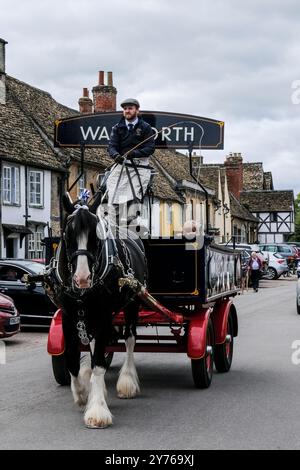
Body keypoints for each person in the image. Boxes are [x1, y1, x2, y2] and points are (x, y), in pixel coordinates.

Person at [106, 98, 155, 225]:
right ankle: (112, 219)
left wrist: (134, 153)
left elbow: (150, 148)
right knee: (111, 188)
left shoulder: (145, 128)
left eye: (130, 108)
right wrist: (116, 155)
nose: (127, 111)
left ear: (137, 110)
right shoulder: (117, 128)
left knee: (134, 193)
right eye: (125, 109)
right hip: (121, 165)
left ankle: (129, 216)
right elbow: (111, 146)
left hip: (139, 166)